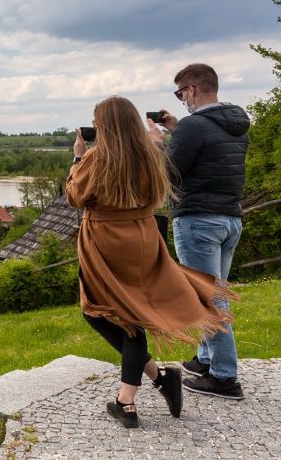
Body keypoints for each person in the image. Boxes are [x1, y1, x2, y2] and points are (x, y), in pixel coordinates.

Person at [68, 96, 237, 428]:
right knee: (122, 313)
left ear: (102, 126)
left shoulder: (96, 158)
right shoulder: (149, 154)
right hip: (144, 237)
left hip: (107, 241)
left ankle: (126, 402)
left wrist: (77, 156)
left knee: (117, 316)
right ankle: (159, 377)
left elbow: (75, 196)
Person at [148, 63, 249, 400]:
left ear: (192, 89)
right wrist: (180, 130)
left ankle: (224, 377)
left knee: (209, 299)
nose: (181, 101)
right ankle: (207, 361)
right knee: (213, 291)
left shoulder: (194, 126)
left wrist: (158, 144)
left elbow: (168, 176)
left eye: (180, 94)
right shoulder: (235, 123)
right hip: (229, 218)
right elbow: (207, 154)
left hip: (198, 221)